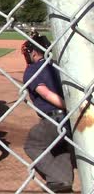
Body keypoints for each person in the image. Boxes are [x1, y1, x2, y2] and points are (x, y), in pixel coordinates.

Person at [21, 35, 74, 193]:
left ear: (35, 53)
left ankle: (59, 179)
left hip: (56, 116)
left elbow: (46, 94)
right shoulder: (57, 65)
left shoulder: (32, 69)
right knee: (59, 148)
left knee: (33, 144)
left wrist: (70, 108)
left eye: (28, 52)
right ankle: (63, 184)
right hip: (68, 119)